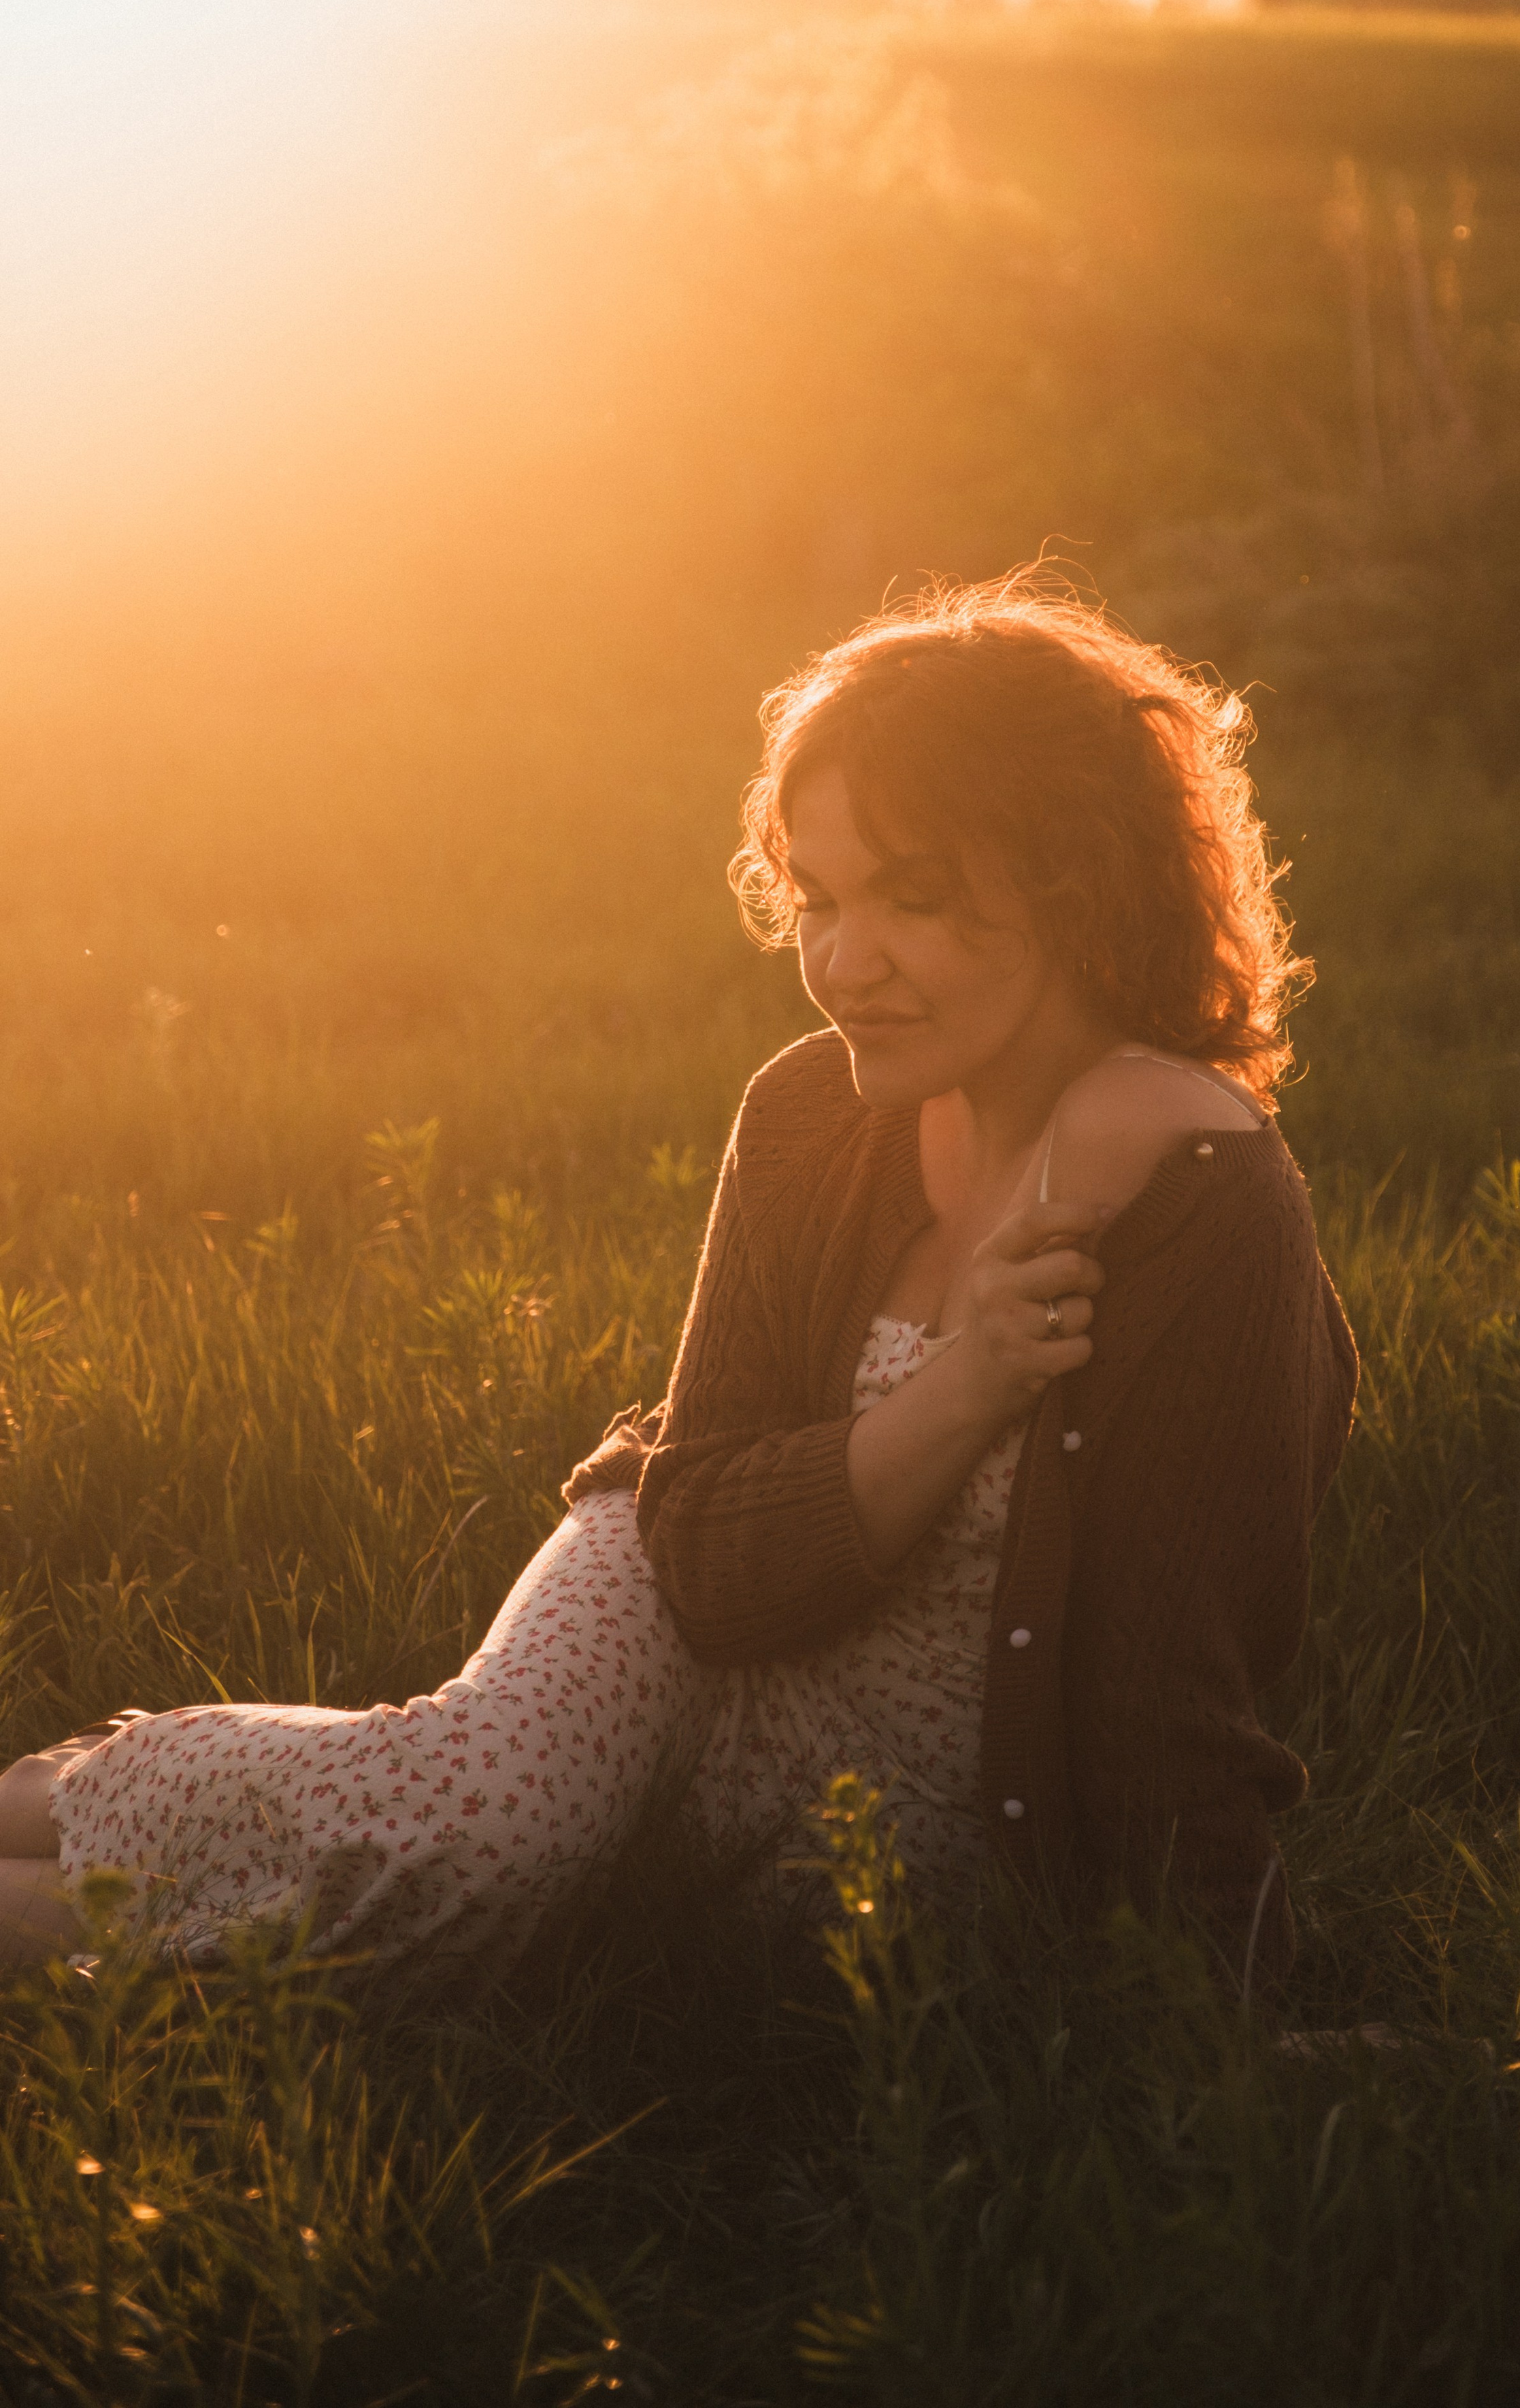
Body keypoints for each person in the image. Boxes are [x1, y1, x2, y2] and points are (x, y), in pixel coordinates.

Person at [0, 576, 1357, 1991]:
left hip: (879, 1832)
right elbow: (700, 1554)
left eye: (916, 897)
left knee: (441, 1934)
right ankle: (74, 1788)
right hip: (667, 1618)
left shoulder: (1203, 1202)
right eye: (818, 899)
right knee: (479, 1838)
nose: (843, 963)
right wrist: (968, 1387)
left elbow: (1170, 1686)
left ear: (1077, 880)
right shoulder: (808, 1116)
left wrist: (1240, 2027)